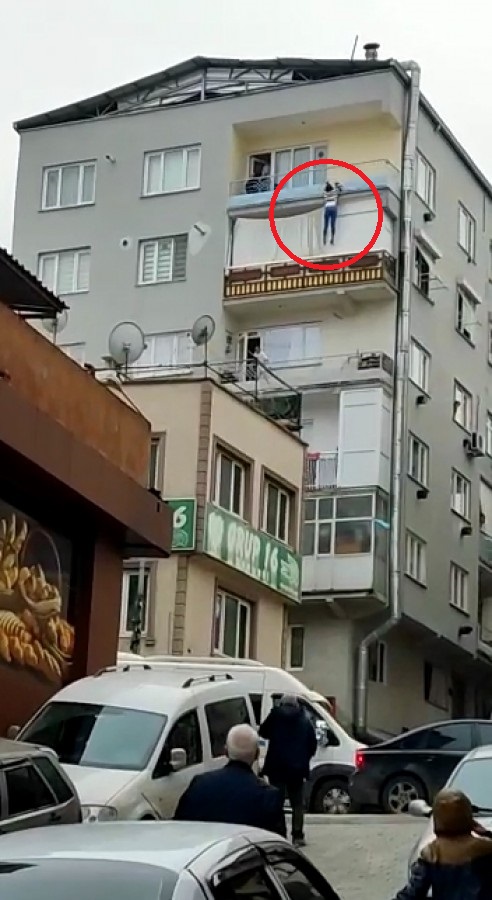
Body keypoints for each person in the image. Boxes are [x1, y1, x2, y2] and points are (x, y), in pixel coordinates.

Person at [173, 723, 285, 835]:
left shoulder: (200, 784)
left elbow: (179, 827)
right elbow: (278, 841)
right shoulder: (269, 796)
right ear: (257, 754)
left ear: (225, 751)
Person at [391, 789, 492, 900]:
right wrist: (486, 833)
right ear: (468, 816)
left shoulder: (432, 853)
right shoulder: (485, 849)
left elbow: (412, 893)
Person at [259, 695, 317, 847]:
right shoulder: (304, 719)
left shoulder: (275, 716)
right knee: (297, 803)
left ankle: (280, 834)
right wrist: (304, 758)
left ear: (282, 704)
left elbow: (263, 732)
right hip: (297, 769)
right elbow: (313, 744)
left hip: (276, 767)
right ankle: (298, 836)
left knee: (277, 802)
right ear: (296, 705)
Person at [323, 181, 343, 245]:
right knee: (332, 224)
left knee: (326, 225)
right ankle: (332, 238)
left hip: (327, 209)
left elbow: (325, 189)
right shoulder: (335, 192)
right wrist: (336, 185)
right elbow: (340, 189)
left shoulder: (325, 193)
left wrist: (327, 183)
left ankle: (324, 238)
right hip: (333, 208)